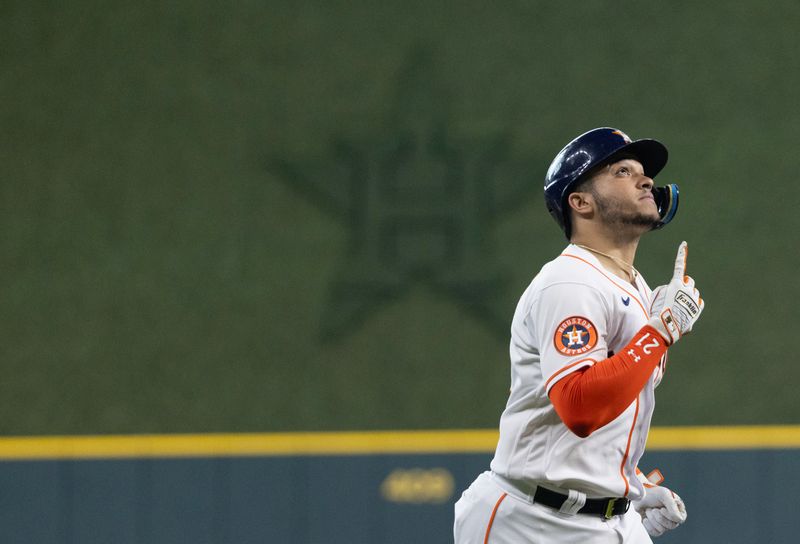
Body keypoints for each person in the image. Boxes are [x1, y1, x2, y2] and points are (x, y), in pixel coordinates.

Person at [453, 127, 704, 543]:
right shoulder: (570, 282)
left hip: (608, 521)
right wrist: (661, 331)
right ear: (580, 202)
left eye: (645, 173)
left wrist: (630, 484)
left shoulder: (637, 287)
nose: (646, 180)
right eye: (622, 171)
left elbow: (608, 411)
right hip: (532, 521)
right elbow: (581, 406)